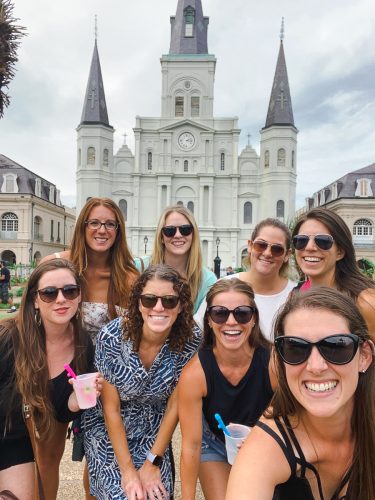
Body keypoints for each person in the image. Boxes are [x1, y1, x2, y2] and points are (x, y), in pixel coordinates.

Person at [226, 287, 375, 499]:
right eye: (295, 348)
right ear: (280, 360)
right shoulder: (264, 449)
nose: (316, 366)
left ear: (364, 356)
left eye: (336, 346)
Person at [41, 197, 139, 498]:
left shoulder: (129, 278)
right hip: (60, 372)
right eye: (94, 222)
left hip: (106, 385)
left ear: (119, 231)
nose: (102, 230)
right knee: (47, 454)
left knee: (99, 466)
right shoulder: (58, 265)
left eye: (110, 224)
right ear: (83, 226)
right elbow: (32, 317)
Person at [84, 264, 201, 499]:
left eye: (169, 301)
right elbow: (111, 408)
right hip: (108, 429)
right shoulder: (112, 337)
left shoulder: (191, 340)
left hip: (154, 429)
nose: (159, 307)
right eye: (149, 300)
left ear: (181, 306)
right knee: (124, 494)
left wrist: (152, 462)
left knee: (156, 494)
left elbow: (175, 405)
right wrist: (128, 471)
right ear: (138, 303)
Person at [0, 259, 100, 500]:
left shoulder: (83, 345)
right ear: (35, 300)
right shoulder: (9, 338)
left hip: (17, 444)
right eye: (49, 293)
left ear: (79, 295)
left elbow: (58, 412)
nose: (61, 299)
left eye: (70, 291)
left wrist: (74, 403)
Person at [179, 279, 275, 500]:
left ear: (253, 320)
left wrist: (258, 439)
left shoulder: (273, 363)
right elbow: (191, 446)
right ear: (209, 321)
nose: (231, 322)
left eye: (242, 313)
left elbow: (291, 420)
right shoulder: (195, 374)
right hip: (215, 445)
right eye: (220, 314)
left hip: (265, 443)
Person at [195, 218, 295, 340]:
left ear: (287, 255)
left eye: (277, 249)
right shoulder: (223, 286)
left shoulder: (296, 294)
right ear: (250, 246)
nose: (268, 253)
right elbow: (197, 333)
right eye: (261, 245)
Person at [292, 208, 375, 339]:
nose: (309, 247)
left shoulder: (365, 301)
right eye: (301, 240)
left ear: (340, 252)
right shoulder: (295, 295)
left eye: (323, 241)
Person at [151, 205, 217, 314]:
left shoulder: (207, 280)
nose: (177, 235)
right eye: (170, 231)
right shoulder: (139, 267)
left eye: (185, 230)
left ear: (193, 234)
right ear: (161, 237)